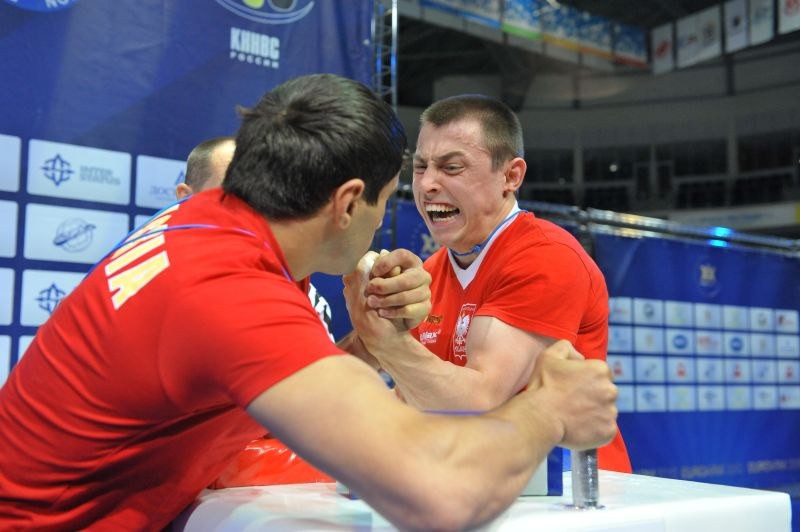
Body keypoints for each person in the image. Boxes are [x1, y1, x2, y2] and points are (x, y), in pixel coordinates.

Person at [0, 74, 619, 531]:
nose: (384, 225)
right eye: (387, 201)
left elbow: (286, 388)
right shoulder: (232, 293)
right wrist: (548, 409)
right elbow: (441, 492)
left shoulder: (206, 228)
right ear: (349, 203)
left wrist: (374, 344)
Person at [344, 94, 631, 473]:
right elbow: (411, 395)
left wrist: (384, 343)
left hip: (567, 497)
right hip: (477, 484)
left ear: (511, 177)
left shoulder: (547, 256)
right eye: (420, 167)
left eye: (451, 167)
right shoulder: (430, 270)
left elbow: (482, 401)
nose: (428, 183)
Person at [177, 136, 335, 340]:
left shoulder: (303, 295)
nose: (251, 213)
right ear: (186, 199)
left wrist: (364, 343)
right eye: (233, 197)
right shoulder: (155, 280)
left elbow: (313, 370)